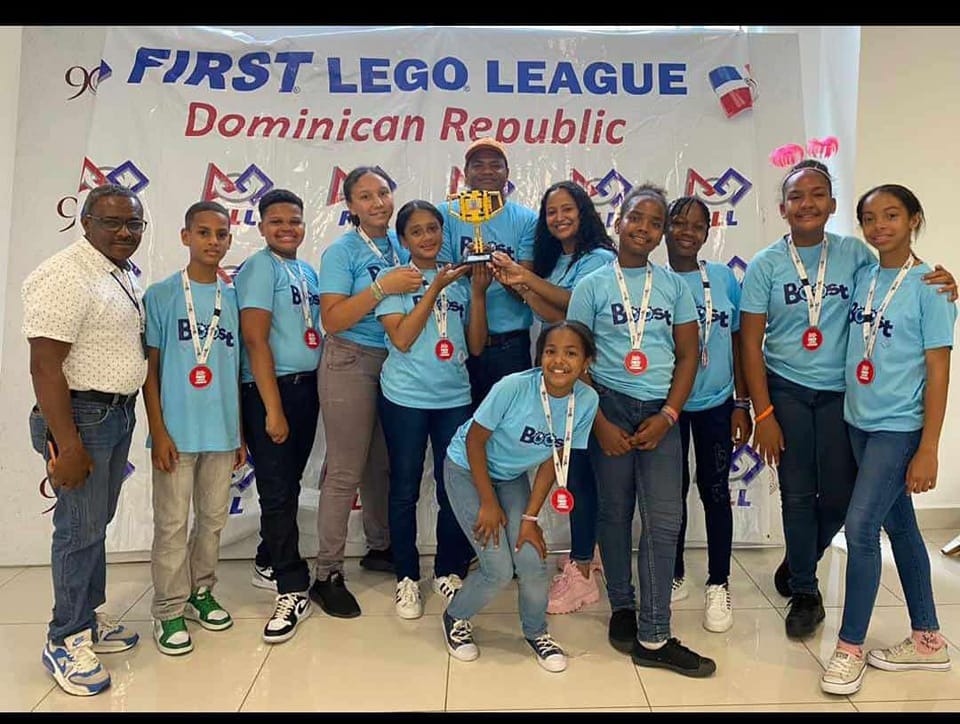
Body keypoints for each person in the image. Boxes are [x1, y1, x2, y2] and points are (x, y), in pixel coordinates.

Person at [739, 160, 956, 641]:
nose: (807, 203)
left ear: (833, 205)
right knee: (797, 494)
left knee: (841, 499)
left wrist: (943, 282)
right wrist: (763, 411)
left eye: (818, 194)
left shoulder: (856, 256)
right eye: (796, 196)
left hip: (844, 395)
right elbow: (749, 342)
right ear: (783, 208)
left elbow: (897, 279)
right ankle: (805, 591)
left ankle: (801, 559)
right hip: (787, 391)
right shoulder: (765, 265)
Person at [567, 183, 717, 678]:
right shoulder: (592, 286)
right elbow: (574, 360)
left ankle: (654, 634)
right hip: (607, 406)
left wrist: (670, 414)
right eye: (637, 217)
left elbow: (688, 355)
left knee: (665, 520)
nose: (645, 228)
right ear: (618, 221)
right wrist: (600, 422)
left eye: (656, 222)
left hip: (660, 412)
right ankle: (623, 608)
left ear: (662, 233)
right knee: (614, 512)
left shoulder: (673, 287)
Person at [820, 184, 954, 695]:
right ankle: (928, 641)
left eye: (892, 215)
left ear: (914, 219)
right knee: (901, 528)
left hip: (899, 428)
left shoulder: (932, 287)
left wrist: (929, 447)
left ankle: (849, 648)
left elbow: (938, 372)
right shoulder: (865, 276)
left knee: (859, 529)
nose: (880, 226)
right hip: (859, 422)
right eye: (870, 218)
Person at [24, 183, 146, 696]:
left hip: (114, 413)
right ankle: (65, 638)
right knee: (77, 531)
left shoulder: (118, 271)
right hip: (81, 418)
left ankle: (87, 619)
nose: (124, 232)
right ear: (86, 222)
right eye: (112, 222)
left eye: (133, 223)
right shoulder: (65, 274)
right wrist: (68, 444)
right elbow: (44, 365)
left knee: (94, 525)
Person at [440, 321, 599, 673]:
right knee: (497, 568)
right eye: (550, 351)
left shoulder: (587, 401)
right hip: (467, 468)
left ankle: (536, 632)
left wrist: (529, 519)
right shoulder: (513, 387)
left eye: (571, 353)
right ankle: (455, 616)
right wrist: (488, 502)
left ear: (587, 362)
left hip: (510, 476)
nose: (559, 361)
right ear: (539, 356)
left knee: (530, 559)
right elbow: (474, 441)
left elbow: (553, 459)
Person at [489, 180, 616, 614]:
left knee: (580, 470)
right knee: (571, 466)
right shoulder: (559, 259)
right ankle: (587, 553)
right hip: (561, 380)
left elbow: (577, 303)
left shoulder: (599, 258)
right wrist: (522, 286)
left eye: (567, 209)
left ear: (583, 212)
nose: (559, 218)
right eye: (551, 212)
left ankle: (582, 572)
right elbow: (552, 313)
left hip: (588, 379)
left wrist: (525, 276)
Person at [313, 166, 421, 618]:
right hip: (350, 359)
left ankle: (380, 547)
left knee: (381, 464)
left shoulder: (401, 242)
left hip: (395, 361)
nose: (377, 202)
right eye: (365, 196)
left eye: (383, 192)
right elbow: (332, 319)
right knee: (344, 470)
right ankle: (327, 574)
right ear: (350, 206)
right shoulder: (342, 252)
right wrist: (381, 287)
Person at [375, 200, 490, 619]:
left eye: (433, 229)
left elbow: (475, 345)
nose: (427, 237)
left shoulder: (457, 278)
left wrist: (476, 293)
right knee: (405, 487)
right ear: (403, 239)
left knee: (452, 486)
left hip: (453, 397)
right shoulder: (393, 280)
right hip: (404, 397)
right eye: (416, 231)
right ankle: (406, 576)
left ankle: (449, 568)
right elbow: (403, 338)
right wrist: (434, 289)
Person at [142, 200, 244, 655]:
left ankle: (201, 591)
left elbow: (234, 369)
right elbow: (150, 370)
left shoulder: (233, 298)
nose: (213, 241)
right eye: (203, 233)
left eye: (221, 234)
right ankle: (168, 609)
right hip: (176, 434)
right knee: (171, 524)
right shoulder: (162, 295)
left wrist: (238, 433)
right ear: (186, 237)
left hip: (221, 432)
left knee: (213, 521)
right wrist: (158, 431)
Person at [235, 188, 321, 644]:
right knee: (276, 490)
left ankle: (267, 560)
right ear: (262, 226)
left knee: (288, 483)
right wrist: (272, 408)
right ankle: (292, 586)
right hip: (272, 390)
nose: (287, 229)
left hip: (306, 389)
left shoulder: (305, 271)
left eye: (294, 221)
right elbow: (255, 339)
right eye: (277, 222)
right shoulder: (258, 267)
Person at [663, 195, 752, 634]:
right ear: (665, 228)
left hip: (716, 402)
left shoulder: (722, 278)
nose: (687, 232)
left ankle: (719, 582)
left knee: (715, 491)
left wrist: (741, 402)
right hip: (666, 407)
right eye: (679, 223)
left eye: (697, 226)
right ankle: (675, 571)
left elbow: (738, 342)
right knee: (671, 491)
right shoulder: (653, 280)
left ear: (707, 233)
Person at [437, 137, 538, 408]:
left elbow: (527, 290)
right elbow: (439, 279)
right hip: (457, 341)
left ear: (507, 173)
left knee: (511, 423)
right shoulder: (446, 214)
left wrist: (501, 271)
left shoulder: (526, 220)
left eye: (495, 165)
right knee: (461, 425)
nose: (487, 171)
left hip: (510, 346)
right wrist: (468, 267)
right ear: (466, 173)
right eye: (478, 165)